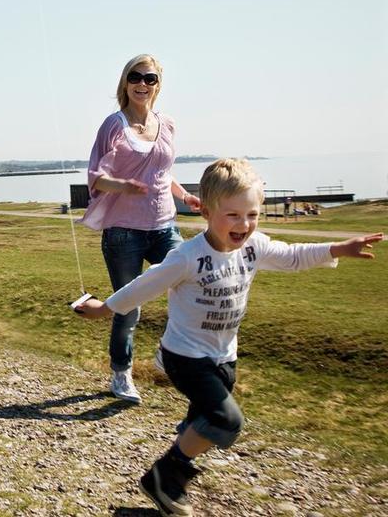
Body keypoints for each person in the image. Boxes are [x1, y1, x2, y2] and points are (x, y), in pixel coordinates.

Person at [74, 158, 381, 516]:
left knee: (205, 421)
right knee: (226, 420)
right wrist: (103, 309)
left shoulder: (254, 247)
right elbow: (144, 287)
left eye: (252, 214)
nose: (244, 224)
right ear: (205, 211)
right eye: (232, 215)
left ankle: (182, 453)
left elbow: (294, 256)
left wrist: (339, 248)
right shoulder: (187, 257)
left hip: (223, 356)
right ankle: (164, 477)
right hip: (185, 356)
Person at [81, 54, 202, 404]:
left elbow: (163, 172)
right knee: (128, 305)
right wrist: (124, 186)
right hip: (124, 232)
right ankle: (121, 374)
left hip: (164, 225)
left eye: (149, 78)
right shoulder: (113, 125)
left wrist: (185, 197)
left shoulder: (168, 124)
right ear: (125, 81)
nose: (142, 84)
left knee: (190, 284)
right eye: (135, 77)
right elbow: (96, 178)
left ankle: (170, 352)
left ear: (158, 85)